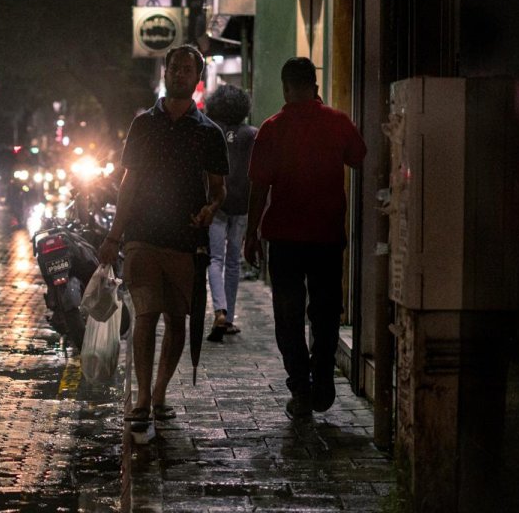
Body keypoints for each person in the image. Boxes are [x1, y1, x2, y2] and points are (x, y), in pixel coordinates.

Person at [98, 44, 228, 441]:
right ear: (165, 72)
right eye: (174, 68)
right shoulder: (144, 125)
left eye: (188, 69)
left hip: (184, 239)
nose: (180, 74)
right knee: (146, 314)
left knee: (176, 319)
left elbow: (219, 189)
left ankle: (159, 393)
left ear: (197, 78)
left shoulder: (209, 132)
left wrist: (210, 209)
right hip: (142, 236)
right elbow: (129, 182)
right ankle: (140, 398)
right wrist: (114, 235)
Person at [243, 57, 366, 419]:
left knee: (289, 315)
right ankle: (323, 377)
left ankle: (300, 386)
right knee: (326, 311)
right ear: (315, 85)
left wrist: (251, 233)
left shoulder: (272, 128)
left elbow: (258, 186)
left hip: (284, 240)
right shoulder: (338, 122)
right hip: (327, 237)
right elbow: (359, 157)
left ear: (285, 88)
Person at [203, 84, 258, 342]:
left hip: (217, 201)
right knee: (234, 261)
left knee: (216, 259)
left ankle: (220, 311)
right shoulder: (252, 134)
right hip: (243, 203)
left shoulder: (211, 131)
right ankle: (230, 317)